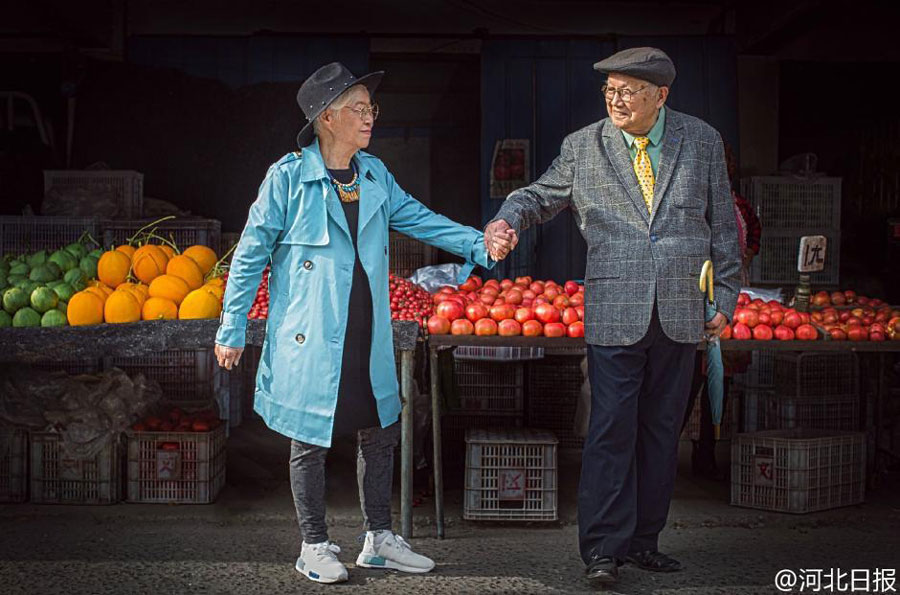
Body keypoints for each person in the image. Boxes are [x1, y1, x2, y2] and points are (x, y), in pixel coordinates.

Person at [214, 62, 493, 584]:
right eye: (359, 109)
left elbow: (420, 217)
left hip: (368, 330)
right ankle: (314, 544)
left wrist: (479, 243)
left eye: (372, 109)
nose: (370, 117)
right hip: (312, 333)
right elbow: (250, 255)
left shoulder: (374, 174)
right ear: (326, 118)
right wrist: (230, 328)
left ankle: (379, 540)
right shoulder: (289, 177)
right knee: (309, 438)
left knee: (381, 432)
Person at [484, 47, 741, 585]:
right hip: (615, 309)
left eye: (627, 91)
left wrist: (727, 298)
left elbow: (724, 225)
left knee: (662, 431)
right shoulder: (585, 146)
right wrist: (506, 220)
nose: (615, 100)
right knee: (609, 430)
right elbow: (537, 196)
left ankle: (645, 541)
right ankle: (602, 547)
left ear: (660, 96)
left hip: (680, 308)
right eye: (610, 91)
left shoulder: (701, 140)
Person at [682, 143, 762, 479]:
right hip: (692, 298)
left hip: (729, 297)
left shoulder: (739, 206)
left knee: (719, 379)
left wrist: (742, 259)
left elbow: (755, 235)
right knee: (687, 378)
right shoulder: (690, 203)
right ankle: (665, 451)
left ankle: (706, 451)